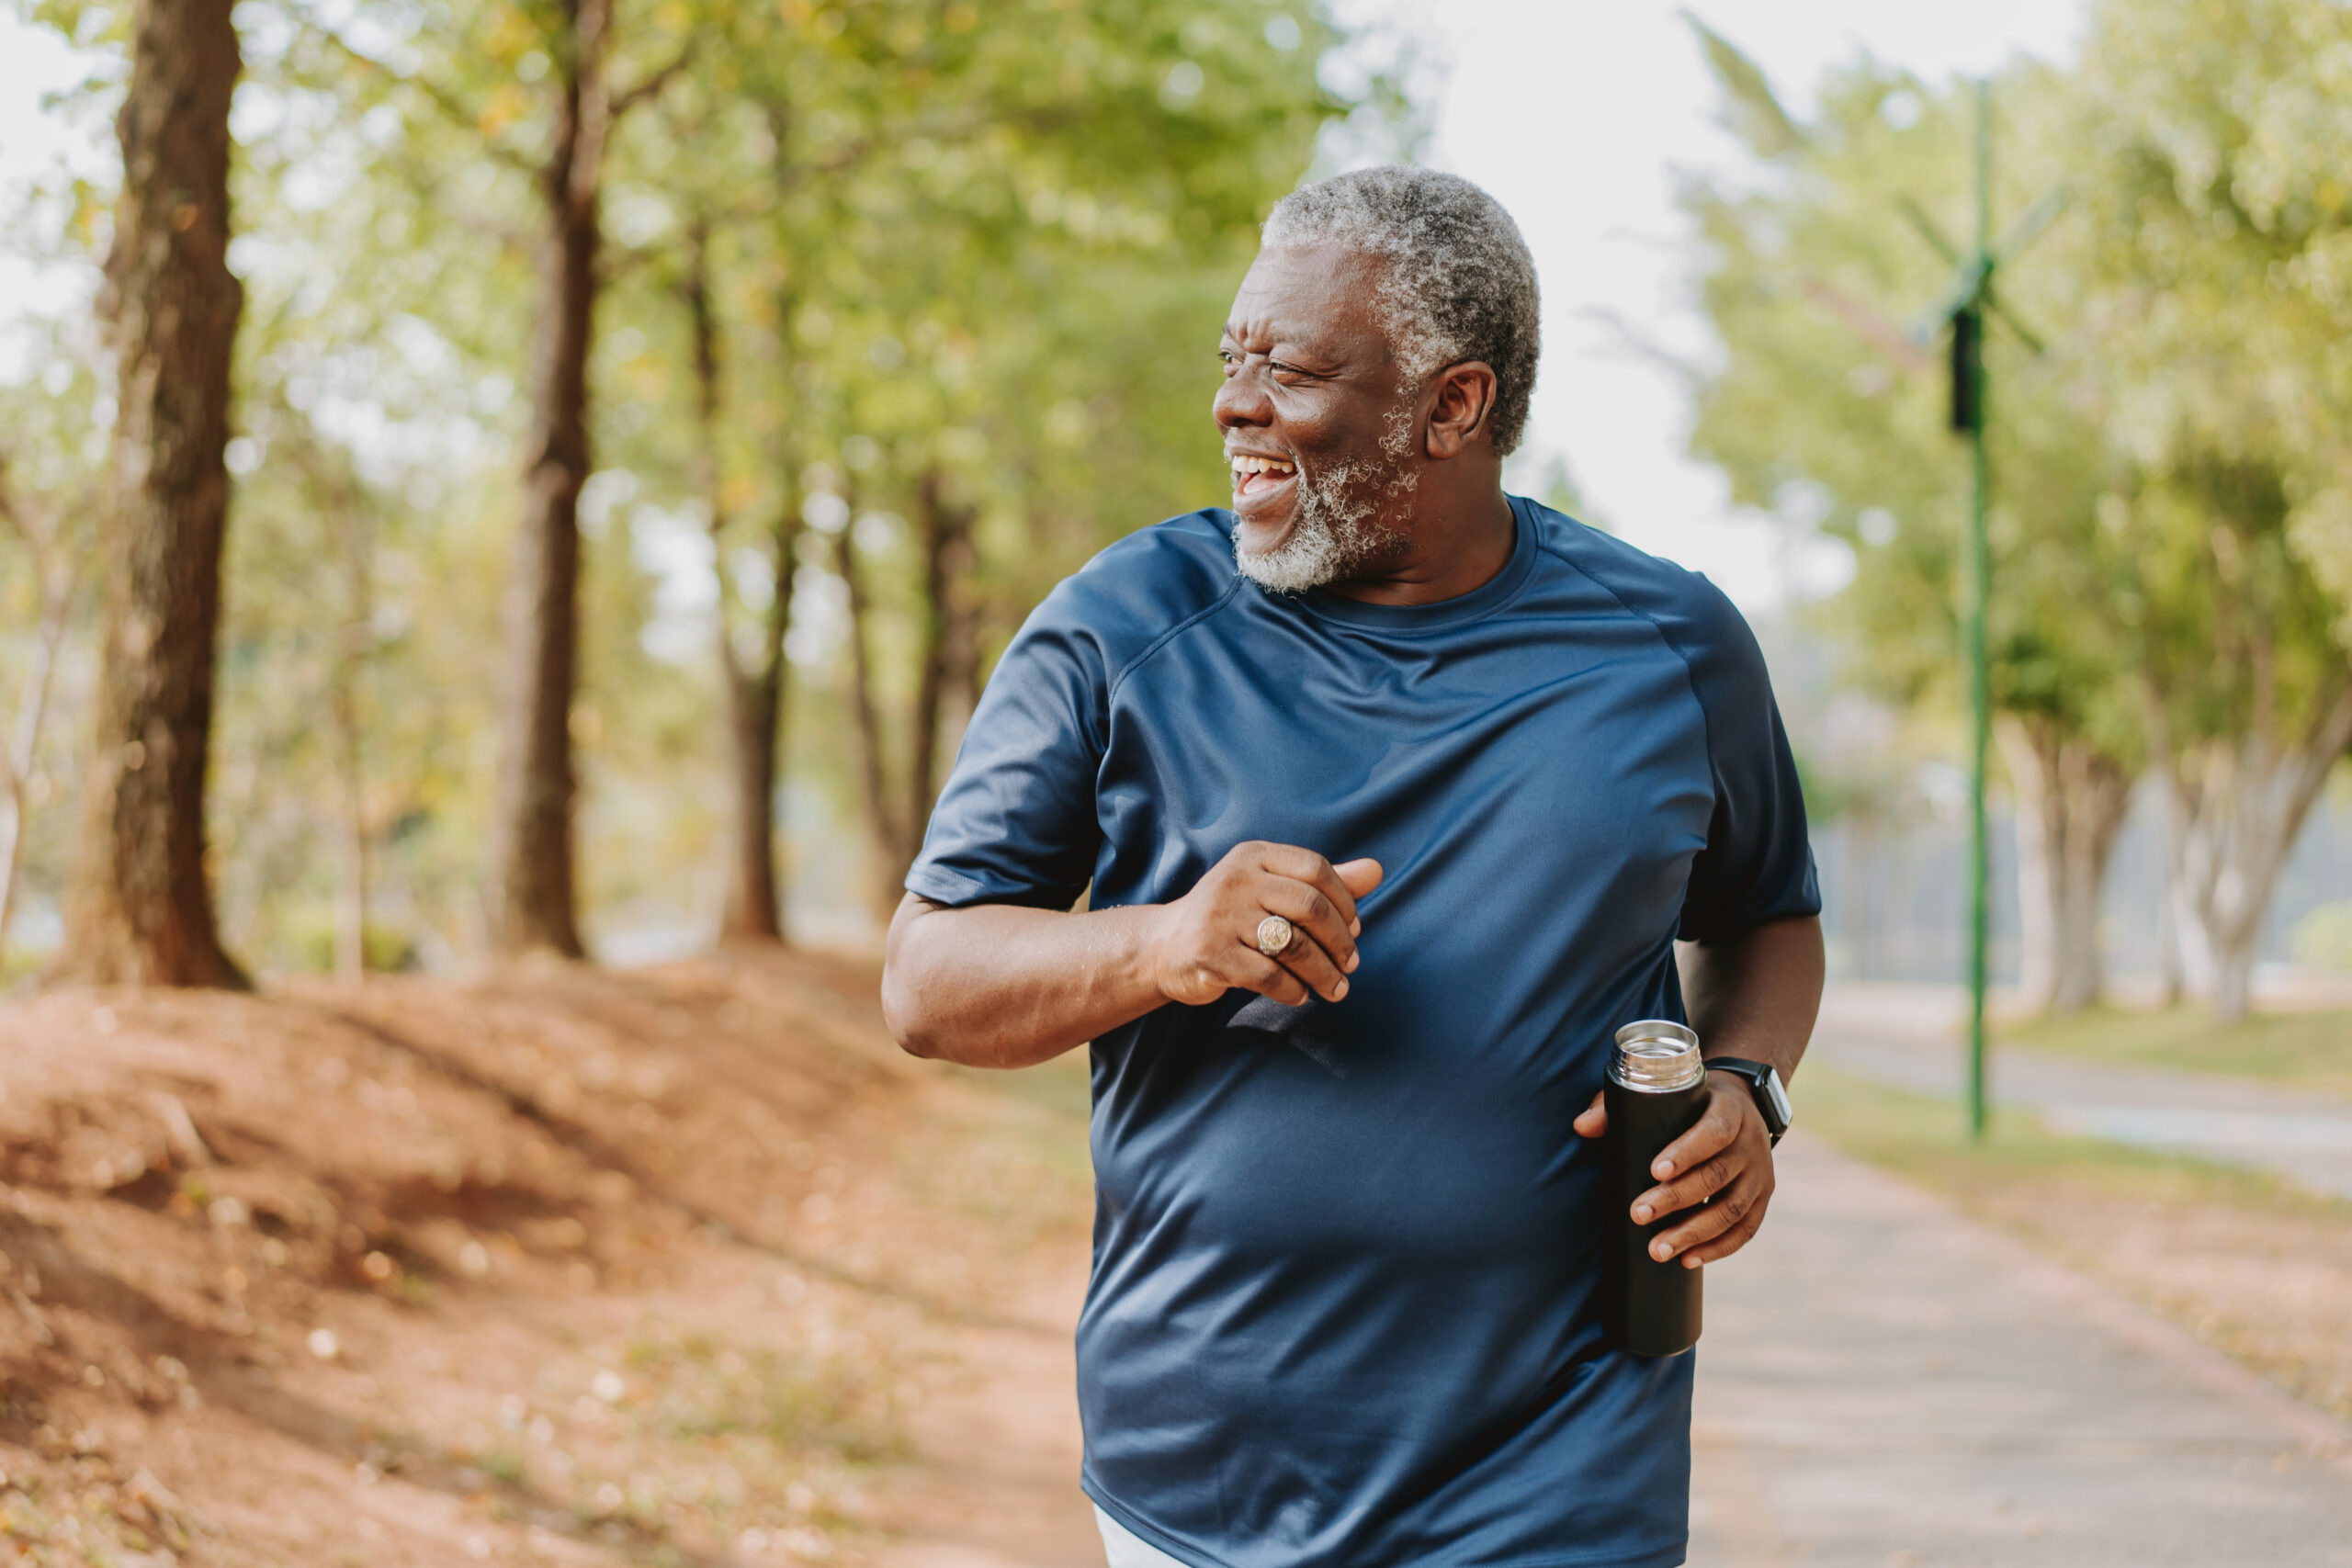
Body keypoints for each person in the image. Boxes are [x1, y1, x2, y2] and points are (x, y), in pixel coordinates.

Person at [881, 166, 1824, 1568]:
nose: (1234, 406)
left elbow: (1768, 918)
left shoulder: (1672, 648)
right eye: (1232, 361)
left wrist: (1747, 1087)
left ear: (1454, 405)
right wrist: (1161, 943)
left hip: (1564, 1470)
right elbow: (927, 981)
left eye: (1293, 371)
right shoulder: (1123, 626)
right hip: (1210, 1475)